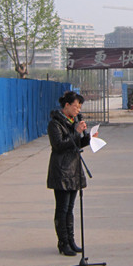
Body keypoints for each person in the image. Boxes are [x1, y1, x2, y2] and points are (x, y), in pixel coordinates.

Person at [47, 91, 91, 256]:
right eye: (75, 106)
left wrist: (88, 138)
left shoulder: (74, 121)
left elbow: (76, 143)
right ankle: (63, 242)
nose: (78, 110)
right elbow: (59, 145)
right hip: (61, 171)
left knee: (71, 208)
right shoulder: (55, 124)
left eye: (79, 107)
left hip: (74, 169)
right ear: (66, 106)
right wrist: (76, 132)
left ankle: (71, 240)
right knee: (62, 208)